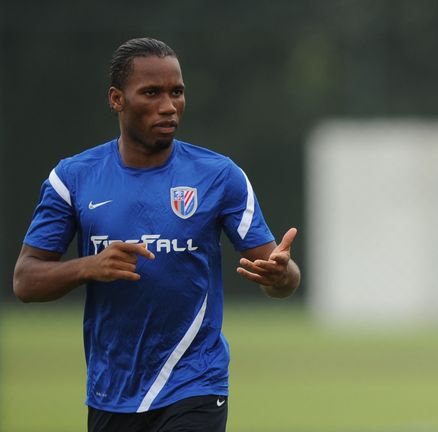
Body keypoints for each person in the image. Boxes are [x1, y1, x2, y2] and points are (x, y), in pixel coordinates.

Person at [12, 37, 301, 432]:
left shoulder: (220, 176)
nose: (168, 106)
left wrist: (281, 275)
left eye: (176, 92)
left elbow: (280, 278)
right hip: (111, 391)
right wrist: (88, 267)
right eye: (152, 93)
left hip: (195, 383)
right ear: (117, 99)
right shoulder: (72, 179)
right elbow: (26, 281)